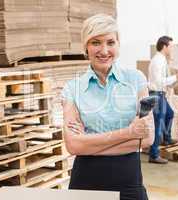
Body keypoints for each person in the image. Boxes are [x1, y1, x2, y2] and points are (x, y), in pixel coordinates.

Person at [61, 14, 154, 200]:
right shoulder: (72, 88)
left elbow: (147, 138)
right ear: (86, 47)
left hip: (129, 182)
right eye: (96, 42)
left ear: (118, 45)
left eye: (110, 42)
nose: (104, 51)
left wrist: (88, 144)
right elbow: (73, 145)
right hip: (86, 182)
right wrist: (129, 133)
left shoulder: (136, 79)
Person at [148, 36, 178, 164]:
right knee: (159, 124)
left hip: (161, 94)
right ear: (164, 46)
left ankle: (167, 138)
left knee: (170, 114)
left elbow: (166, 83)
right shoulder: (158, 61)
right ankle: (154, 155)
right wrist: (176, 76)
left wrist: (177, 78)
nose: (172, 48)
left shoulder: (163, 60)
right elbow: (159, 82)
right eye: (171, 46)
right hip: (156, 94)